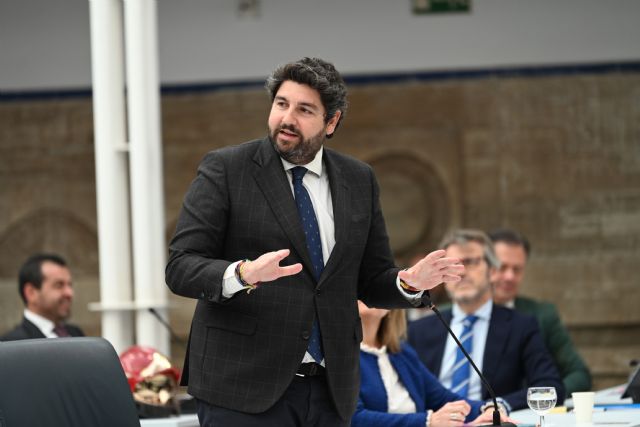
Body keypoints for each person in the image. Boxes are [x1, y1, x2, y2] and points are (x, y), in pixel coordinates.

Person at [165, 57, 464, 426]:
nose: (287, 118)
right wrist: (242, 273)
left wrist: (408, 282)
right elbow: (181, 265)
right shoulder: (227, 169)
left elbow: (371, 279)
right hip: (242, 390)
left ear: (332, 121)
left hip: (330, 392)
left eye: (304, 109)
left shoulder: (359, 180)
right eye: (281, 104)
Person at [407, 229, 564, 411]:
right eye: (451, 266)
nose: (462, 272)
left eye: (471, 262)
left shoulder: (521, 326)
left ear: (493, 271)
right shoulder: (418, 330)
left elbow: (550, 387)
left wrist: (499, 406)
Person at [353, 301, 516, 427]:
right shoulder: (338, 358)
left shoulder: (401, 352)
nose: (367, 292)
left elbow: (443, 399)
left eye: (374, 287)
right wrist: (428, 421)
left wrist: (486, 409)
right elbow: (354, 418)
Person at [488, 228, 592, 396]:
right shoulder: (444, 317)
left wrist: (542, 398)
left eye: (517, 269)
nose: (509, 276)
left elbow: (579, 374)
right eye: (502, 267)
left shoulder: (542, 315)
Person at [1, 253, 84, 341]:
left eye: (70, 285)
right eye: (59, 285)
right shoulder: (11, 344)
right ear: (31, 293)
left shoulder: (76, 333)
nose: (69, 293)